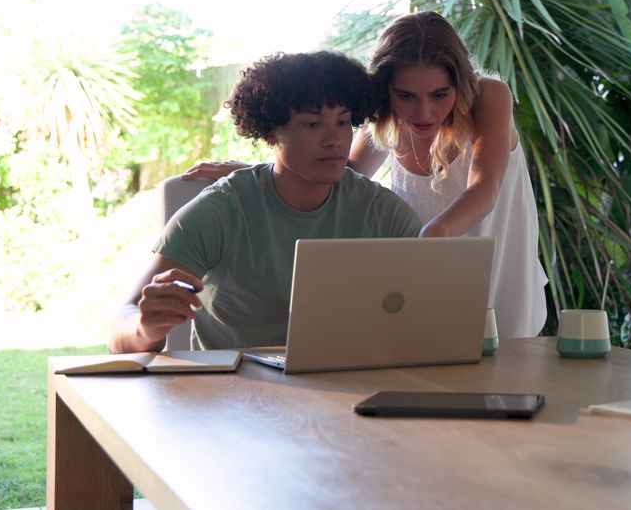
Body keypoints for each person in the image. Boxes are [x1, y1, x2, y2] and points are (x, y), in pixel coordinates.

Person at [183, 11, 547, 338]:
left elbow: (485, 187)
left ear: (460, 84)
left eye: (440, 95)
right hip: (423, 283)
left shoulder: (489, 96)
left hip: (494, 273)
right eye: (406, 96)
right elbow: (343, 171)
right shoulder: (387, 120)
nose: (424, 112)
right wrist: (257, 173)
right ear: (386, 90)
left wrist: (431, 239)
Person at [110, 51, 421, 354]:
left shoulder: (382, 212)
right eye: (312, 124)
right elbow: (120, 332)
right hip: (235, 384)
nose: (334, 140)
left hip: (346, 382)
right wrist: (144, 329)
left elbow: (427, 312)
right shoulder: (221, 211)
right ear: (272, 133)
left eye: (343, 122)